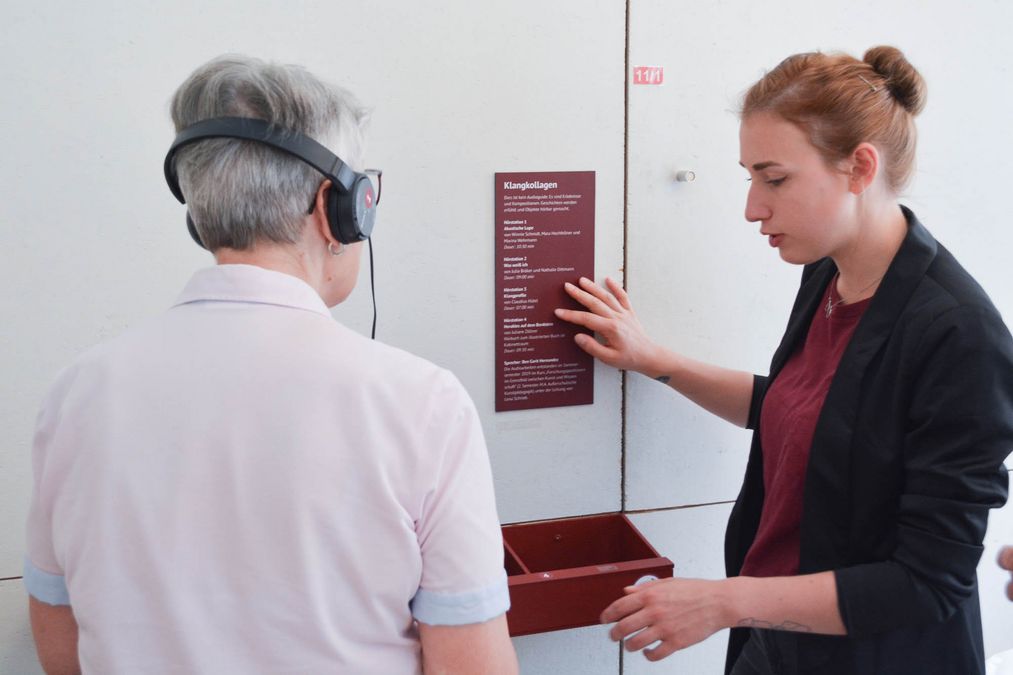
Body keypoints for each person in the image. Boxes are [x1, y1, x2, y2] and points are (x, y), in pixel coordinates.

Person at [24, 55, 518, 675]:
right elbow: (470, 664)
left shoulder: (76, 394)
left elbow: (54, 619)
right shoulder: (421, 403)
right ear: (335, 208)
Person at [556, 46, 1013, 674]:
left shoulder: (959, 335)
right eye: (749, 177)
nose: (752, 207)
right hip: (775, 642)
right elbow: (805, 411)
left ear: (859, 168)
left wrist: (723, 603)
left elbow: (929, 584)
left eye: (774, 179)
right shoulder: (829, 271)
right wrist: (654, 359)